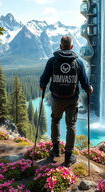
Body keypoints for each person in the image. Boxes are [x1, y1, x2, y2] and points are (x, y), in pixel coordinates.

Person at [40, 35, 93, 167]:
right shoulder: (78, 62)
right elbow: (85, 84)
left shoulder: (52, 61)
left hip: (57, 99)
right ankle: (68, 156)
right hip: (72, 99)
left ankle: (56, 150)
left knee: (55, 121)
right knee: (71, 125)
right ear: (71, 47)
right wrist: (89, 89)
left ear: (60, 46)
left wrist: (43, 86)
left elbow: (43, 80)